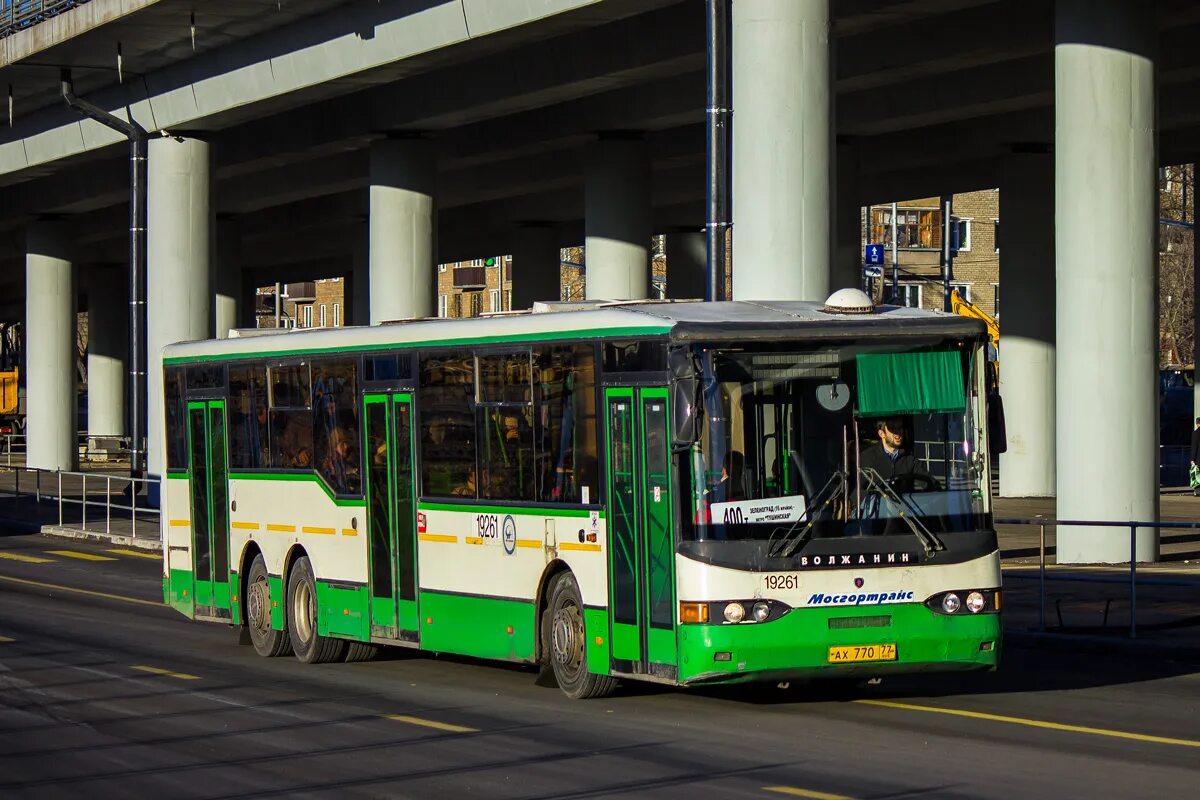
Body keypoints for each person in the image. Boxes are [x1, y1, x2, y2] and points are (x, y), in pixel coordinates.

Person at [858, 417, 934, 486]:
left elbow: (929, 482)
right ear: (881, 434)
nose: (897, 433)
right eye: (892, 429)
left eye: (900, 428)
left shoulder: (909, 459)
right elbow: (858, 491)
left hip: (904, 501)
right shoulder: (868, 457)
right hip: (878, 501)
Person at [1190, 417, 1200, 496]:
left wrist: (1192, 459)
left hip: (1198, 459)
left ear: (1197, 423)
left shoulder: (1195, 433)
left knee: (1196, 475)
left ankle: (1198, 491)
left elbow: (1194, 447)